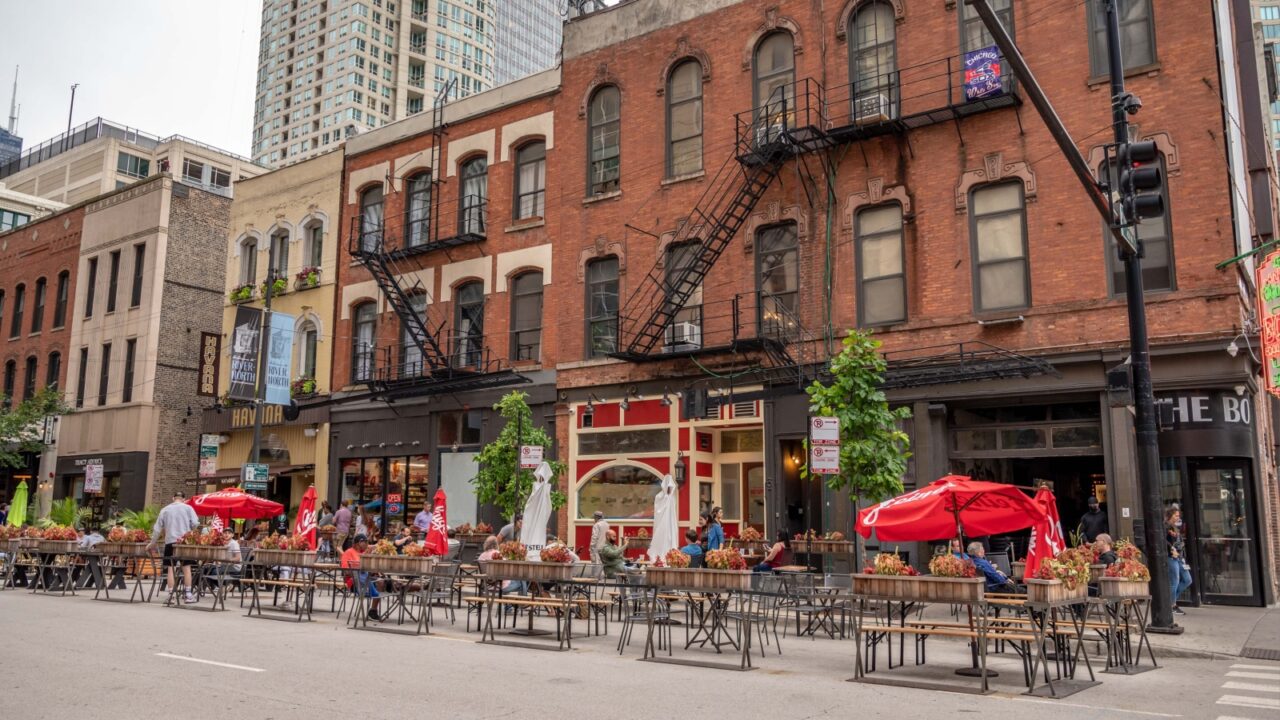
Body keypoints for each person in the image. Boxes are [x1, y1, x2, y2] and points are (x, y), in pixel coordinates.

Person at [150, 492, 200, 604]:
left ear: (173, 498)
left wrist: (152, 542)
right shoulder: (188, 508)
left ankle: (171, 596)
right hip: (184, 543)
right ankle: (188, 595)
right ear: (184, 499)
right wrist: (189, 529)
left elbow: (157, 528)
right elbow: (196, 523)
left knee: (170, 569)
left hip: (170, 542)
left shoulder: (165, 510)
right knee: (186, 568)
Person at [341, 534, 383, 621]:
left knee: (382, 581)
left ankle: (373, 611)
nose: (367, 544)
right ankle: (373, 609)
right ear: (359, 542)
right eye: (366, 542)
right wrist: (360, 567)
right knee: (380, 583)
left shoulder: (362, 553)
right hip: (354, 582)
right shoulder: (349, 552)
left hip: (365, 578)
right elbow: (346, 570)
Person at [1166, 508, 1192, 615]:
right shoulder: (1165, 527)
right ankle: (1172, 605)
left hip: (1180, 557)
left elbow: (1179, 541)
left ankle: (1170, 601)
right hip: (1171, 557)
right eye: (1176, 515)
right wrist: (1171, 549)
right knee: (1175, 581)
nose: (1178, 517)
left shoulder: (1175, 528)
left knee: (1187, 579)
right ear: (1170, 516)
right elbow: (1163, 540)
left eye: (1178, 515)